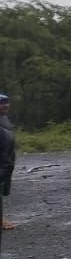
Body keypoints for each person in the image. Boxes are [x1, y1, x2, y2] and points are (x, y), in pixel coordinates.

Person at [1, 94, 16, 230]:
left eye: (6, 102)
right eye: (1, 103)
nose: (5, 105)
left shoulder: (5, 119)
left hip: (6, 161)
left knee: (2, 190)